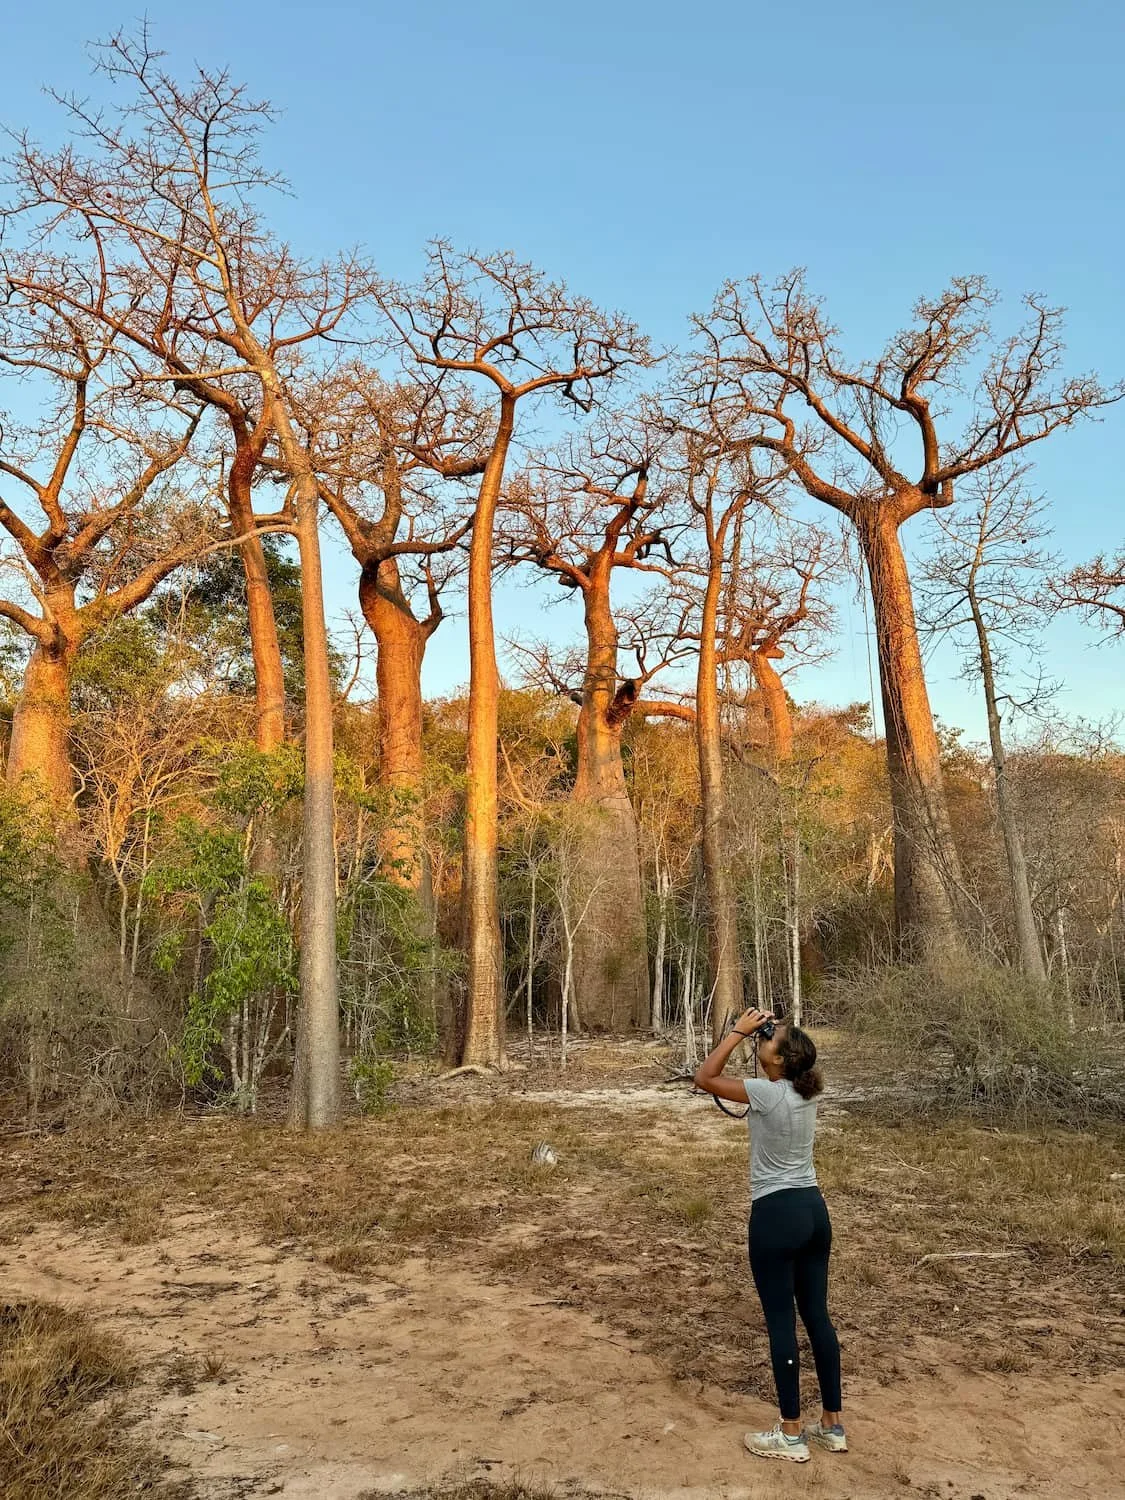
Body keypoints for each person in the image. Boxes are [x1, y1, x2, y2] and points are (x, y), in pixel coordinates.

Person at [693, 1005, 845, 1464]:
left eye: (770, 1041)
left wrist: (738, 1033)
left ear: (779, 1060)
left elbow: (704, 1077)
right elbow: (778, 1065)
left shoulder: (765, 1092)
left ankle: (791, 1433)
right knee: (817, 1317)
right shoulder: (806, 1092)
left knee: (781, 1321)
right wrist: (769, 1033)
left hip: (776, 1215)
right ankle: (832, 1425)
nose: (764, 1040)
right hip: (814, 1211)